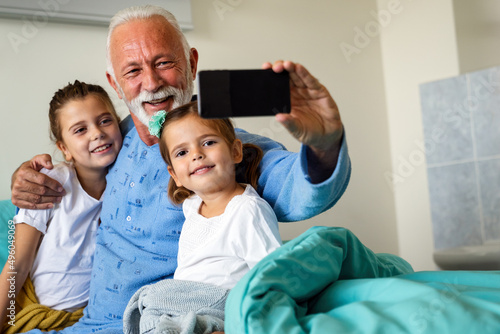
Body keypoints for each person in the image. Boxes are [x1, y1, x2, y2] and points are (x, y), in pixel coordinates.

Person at [10, 5, 351, 333]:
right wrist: (29, 175)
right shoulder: (114, 136)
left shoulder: (225, 148)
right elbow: (72, 163)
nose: (152, 82)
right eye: (133, 71)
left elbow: (298, 187)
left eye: (163, 63)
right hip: (87, 324)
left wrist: (324, 144)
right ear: (115, 85)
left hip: (162, 323)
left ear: (191, 63)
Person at [122, 102, 282, 333]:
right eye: (182, 152)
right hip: (182, 303)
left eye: (208, 142)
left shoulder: (248, 210)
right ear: (175, 174)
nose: (196, 155)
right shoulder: (192, 206)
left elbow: (273, 277)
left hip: (219, 309)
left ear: (236, 151)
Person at [0, 81, 122, 333]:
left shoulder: (126, 184)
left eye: (105, 121)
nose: (97, 133)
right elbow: (17, 265)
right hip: (36, 312)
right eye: (80, 130)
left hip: (87, 320)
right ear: (64, 149)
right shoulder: (50, 184)